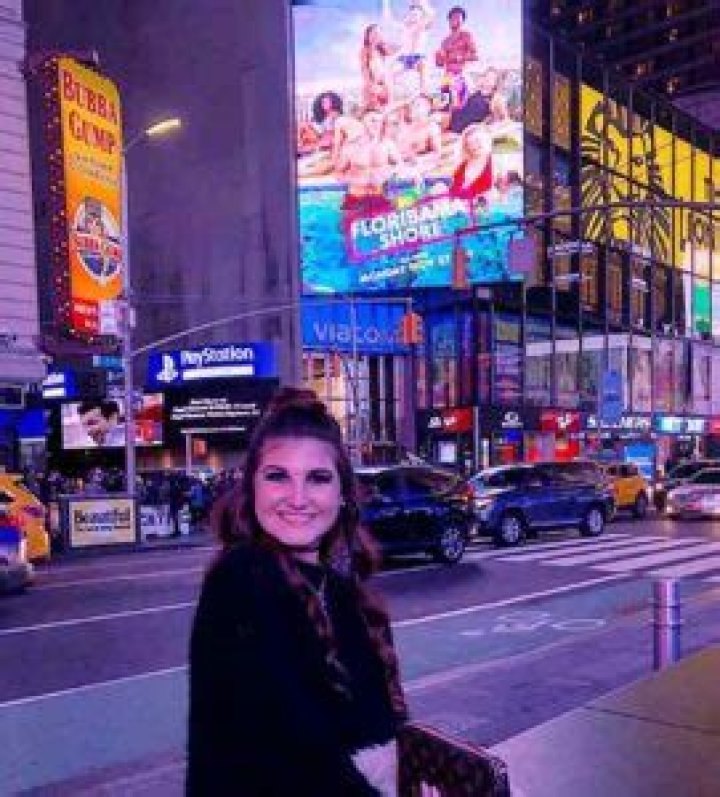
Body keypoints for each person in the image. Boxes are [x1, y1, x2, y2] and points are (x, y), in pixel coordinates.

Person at [187, 388, 408, 796]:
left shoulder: (344, 593)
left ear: (343, 494)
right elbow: (288, 754)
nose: (298, 499)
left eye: (318, 478)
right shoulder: (241, 577)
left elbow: (378, 729)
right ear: (252, 488)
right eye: (277, 477)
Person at [435, 6, 478, 111]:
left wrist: (458, 57)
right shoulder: (445, 41)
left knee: (459, 106)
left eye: (459, 18)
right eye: (453, 18)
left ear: (462, 21)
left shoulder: (466, 36)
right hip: (447, 76)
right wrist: (438, 57)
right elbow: (439, 64)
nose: (455, 20)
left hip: (461, 75)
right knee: (444, 105)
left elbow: (475, 55)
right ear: (449, 21)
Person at [449, 122, 493, 203]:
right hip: (464, 204)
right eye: (471, 144)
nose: (475, 145)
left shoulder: (495, 161)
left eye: (477, 141)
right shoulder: (462, 167)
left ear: (485, 139)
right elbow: (453, 192)